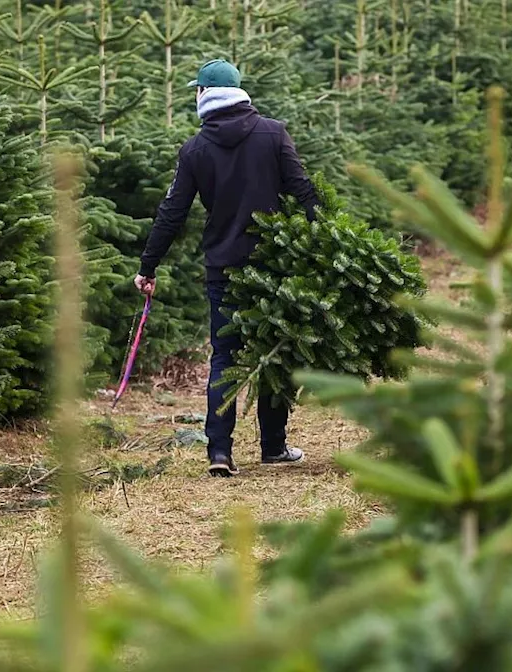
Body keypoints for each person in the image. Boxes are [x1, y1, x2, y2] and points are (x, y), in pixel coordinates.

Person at [134, 58, 320, 478]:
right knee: (274, 352)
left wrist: (148, 266)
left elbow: (171, 213)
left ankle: (220, 452)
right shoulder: (273, 133)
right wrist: (318, 247)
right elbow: (304, 192)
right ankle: (273, 447)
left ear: (203, 94)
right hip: (275, 266)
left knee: (225, 357)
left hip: (224, 268)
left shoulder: (196, 149)